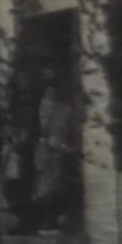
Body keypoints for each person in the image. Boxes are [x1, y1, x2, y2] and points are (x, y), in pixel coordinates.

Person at [33, 70, 78, 232]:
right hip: (49, 154)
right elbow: (44, 131)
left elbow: (66, 132)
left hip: (57, 155)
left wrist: (64, 146)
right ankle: (48, 221)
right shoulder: (47, 107)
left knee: (55, 188)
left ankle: (54, 221)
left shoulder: (63, 110)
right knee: (47, 188)